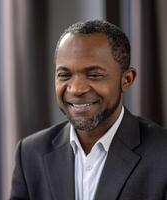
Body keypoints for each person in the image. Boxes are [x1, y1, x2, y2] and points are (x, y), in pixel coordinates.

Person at [10, 20, 167, 200]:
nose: (76, 88)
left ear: (127, 79)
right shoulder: (30, 153)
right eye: (65, 75)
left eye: (94, 75)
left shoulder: (162, 154)